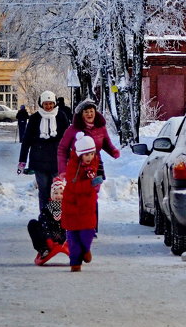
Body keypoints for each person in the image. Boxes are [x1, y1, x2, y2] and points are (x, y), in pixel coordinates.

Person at [18, 90, 70, 213]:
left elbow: (68, 138)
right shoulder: (35, 118)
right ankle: (44, 217)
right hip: (39, 160)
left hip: (57, 160)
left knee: (56, 189)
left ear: (55, 103)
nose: (48, 106)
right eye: (46, 104)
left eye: (51, 103)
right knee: (43, 190)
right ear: (41, 104)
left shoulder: (61, 116)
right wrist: (22, 160)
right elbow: (26, 140)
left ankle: (56, 217)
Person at [61, 132, 103, 272]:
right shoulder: (73, 166)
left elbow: (94, 182)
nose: (89, 157)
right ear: (80, 155)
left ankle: (86, 249)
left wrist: (96, 184)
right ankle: (75, 263)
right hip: (72, 205)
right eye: (86, 155)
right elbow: (73, 186)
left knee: (88, 233)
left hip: (87, 206)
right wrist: (90, 184)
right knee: (73, 237)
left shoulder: (95, 162)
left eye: (91, 154)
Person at [57, 97, 121, 176]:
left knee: (96, 187)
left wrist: (113, 151)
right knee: (81, 188)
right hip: (77, 166)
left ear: (95, 112)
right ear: (81, 114)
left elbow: (106, 142)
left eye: (91, 111)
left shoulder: (100, 127)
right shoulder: (73, 129)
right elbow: (62, 149)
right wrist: (63, 169)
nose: (89, 114)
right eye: (86, 112)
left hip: (96, 164)